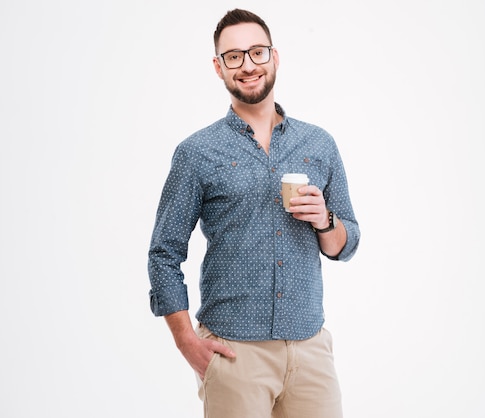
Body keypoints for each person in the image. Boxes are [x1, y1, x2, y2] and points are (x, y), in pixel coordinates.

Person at [147, 8, 360, 418]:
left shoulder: (319, 143)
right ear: (218, 67)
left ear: (274, 57)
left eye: (257, 52)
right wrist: (187, 342)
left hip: (310, 349)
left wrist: (324, 220)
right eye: (234, 56)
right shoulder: (196, 153)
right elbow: (163, 253)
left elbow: (346, 244)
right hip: (233, 354)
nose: (248, 65)